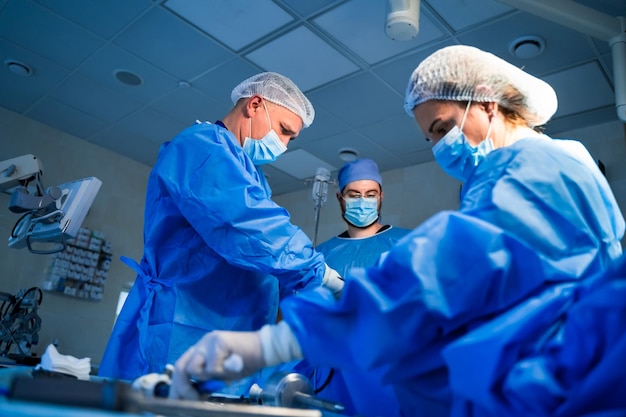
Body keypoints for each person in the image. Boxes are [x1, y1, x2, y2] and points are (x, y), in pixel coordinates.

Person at [168, 45, 626, 417]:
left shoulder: (536, 172)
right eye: (431, 137)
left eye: (444, 126)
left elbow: (435, 277)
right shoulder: (546, 169)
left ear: (487, 102)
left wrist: (272, 342)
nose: (440, 146)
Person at [98, 72, 343, 382]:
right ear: (254, 105)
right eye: (283, 130)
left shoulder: (251, 174)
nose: (282, 145)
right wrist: (322, 276)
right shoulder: (202, 149)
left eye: (290, 139)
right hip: (184, 332)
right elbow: (250, 226)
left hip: (228, 338)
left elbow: (259, 263)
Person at [290, 158, 411, 416]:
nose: (363, 200)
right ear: (339, 198)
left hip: (387, 374)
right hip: (329, 377)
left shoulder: (407, 245)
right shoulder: (319, 256)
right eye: (354, 195)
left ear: (381, 197)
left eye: (370, 194)